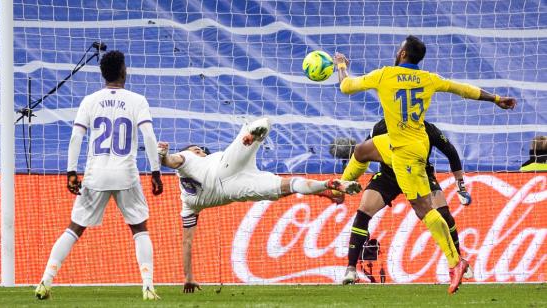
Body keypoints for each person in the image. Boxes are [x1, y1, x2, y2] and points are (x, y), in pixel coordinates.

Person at [335, 35, 517, 293]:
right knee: (363, 149)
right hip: (411, 140)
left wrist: (341, 66)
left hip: (407, 153)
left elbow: (345, 87)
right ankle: (341, 187)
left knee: (423, 209)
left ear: (401, 54)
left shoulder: (384, 75)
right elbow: (462, 89)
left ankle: (455, 262)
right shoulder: (427, 78)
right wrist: (496, 99)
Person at [157, 118, 362, 293]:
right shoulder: (190, 157)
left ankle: (326, 185)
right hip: (226, 169)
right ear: (192, 151)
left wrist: (188, 277)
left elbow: (187, 242)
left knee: (287, 186)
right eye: (197, 149)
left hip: (238, 186)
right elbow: (173, 160)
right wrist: (164, 156)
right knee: (263, 123)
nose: (200, 150)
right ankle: (252, 136)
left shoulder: (188, 203)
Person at [35, 51, 164, 301]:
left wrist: (71, 171)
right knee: (139, 229)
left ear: (103, 74)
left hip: (96, 175)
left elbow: (76, 137)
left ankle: (45, 281)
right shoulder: (137, 100)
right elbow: (148, 136)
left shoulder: (90, 100)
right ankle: (148, 286)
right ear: (124, 71)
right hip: (126, 174)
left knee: (74, 228)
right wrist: (156, 171)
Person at [338, 119, 473, 284]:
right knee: (363, 212)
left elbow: (451, 151)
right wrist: (344, 182)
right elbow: (364, 153)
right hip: (389, 176)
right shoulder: (380, 127)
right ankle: (351, 269)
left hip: (419, 174)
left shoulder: (427, 128)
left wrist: (460, 186)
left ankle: (458, 261)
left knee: (444, 214)